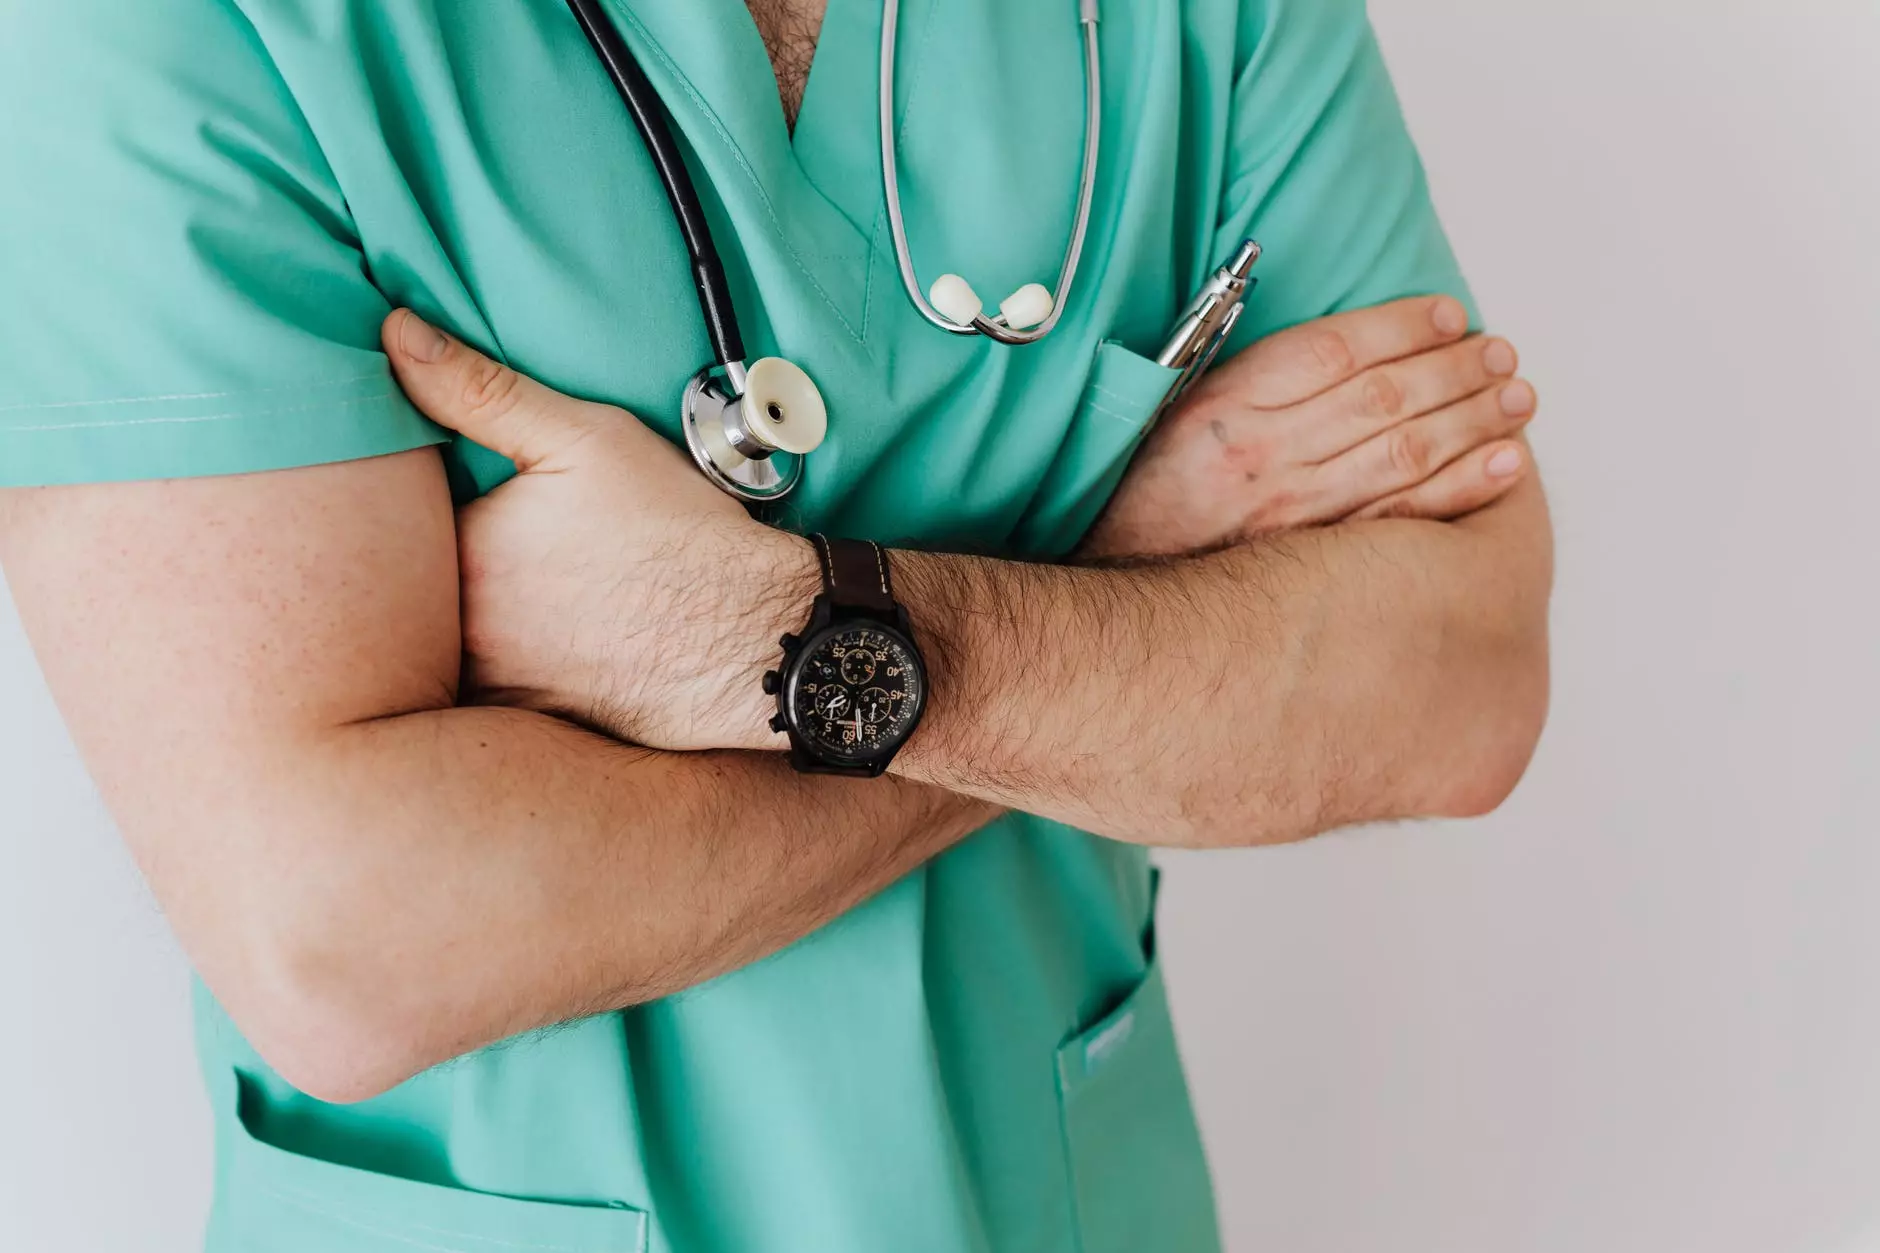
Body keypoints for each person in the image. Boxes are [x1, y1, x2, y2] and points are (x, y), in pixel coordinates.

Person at [0, 1, 1552, 1250]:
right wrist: (1113, 550)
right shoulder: (167, 26)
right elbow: (347, 944)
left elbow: (1459, 683)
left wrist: (766, 632)